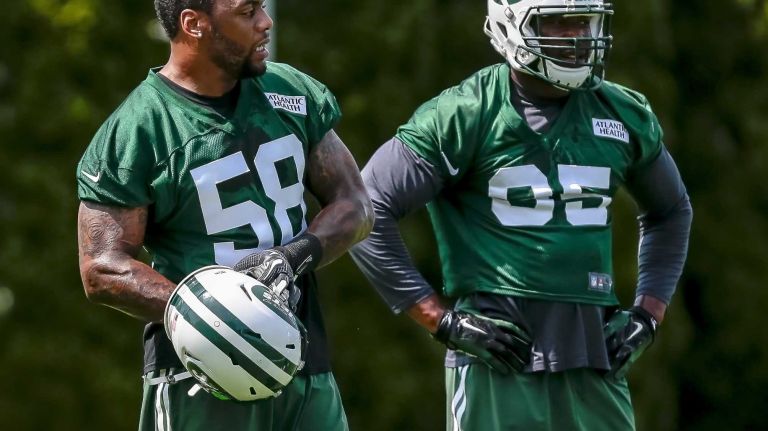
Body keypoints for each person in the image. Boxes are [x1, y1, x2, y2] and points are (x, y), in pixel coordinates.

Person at [350, 0, 692, 429]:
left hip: (594, 352)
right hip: (498, 352)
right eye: (558, 23)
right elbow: (366, 207)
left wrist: (648, 314)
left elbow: (671, 210)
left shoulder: (621, 112)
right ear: (510, 24)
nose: (578, 37)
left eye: (583, 22)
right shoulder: (465, 112)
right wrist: (439, 319)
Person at [76, 0, 372, 429]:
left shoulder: (289, 91)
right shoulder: (139, 128)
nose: (265, 22)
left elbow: (356, 203)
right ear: (194, 24)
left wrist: (292, 257)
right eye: (247, 11)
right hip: (200, 375)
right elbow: (101, 268)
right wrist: (215, 315)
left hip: (304, 365)